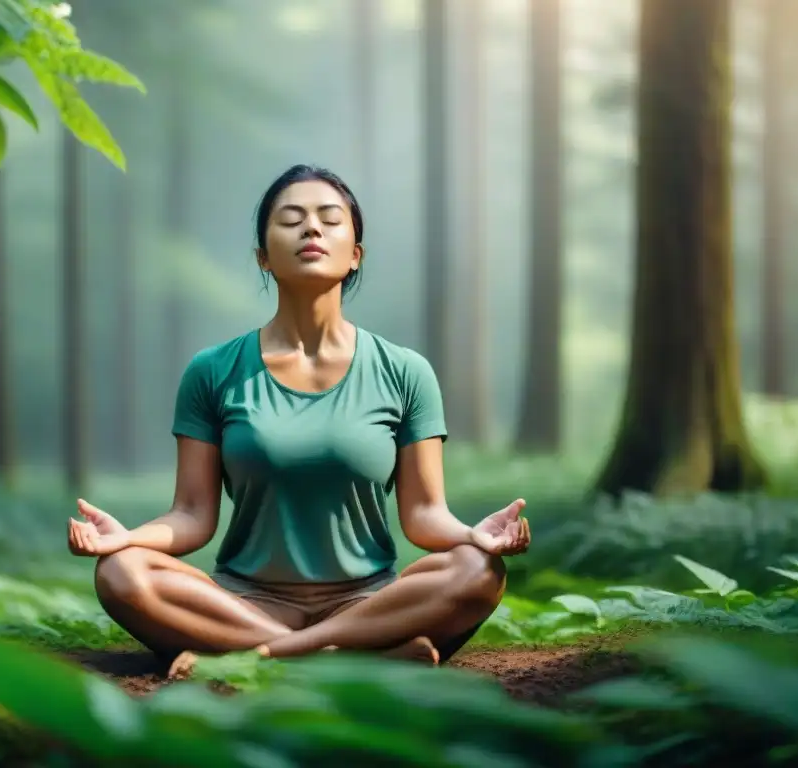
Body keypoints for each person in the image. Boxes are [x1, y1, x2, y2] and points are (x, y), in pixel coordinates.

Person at [67, 164, 530, 678]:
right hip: (243, 604)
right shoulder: (213, 371)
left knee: (477, 570)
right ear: (263, 257)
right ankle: (352, 658)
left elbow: (423, 515)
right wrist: (126, 538)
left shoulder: (405, 371)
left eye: (330, 220)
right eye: (291, 220)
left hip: (367, 604)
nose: (311, 229)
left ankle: (265, 659)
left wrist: (474, 535)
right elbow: (193, 514)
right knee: (121, 572)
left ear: (355, 255)